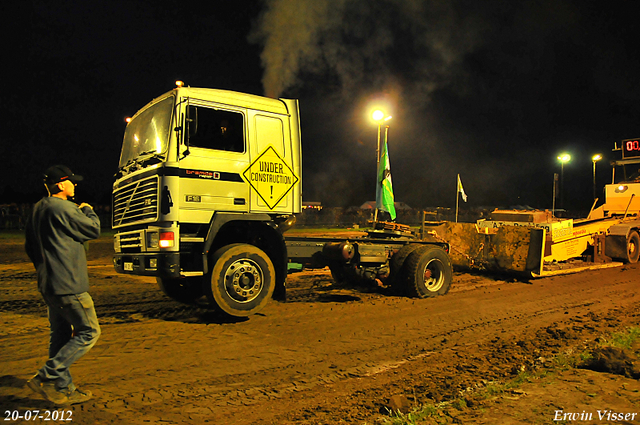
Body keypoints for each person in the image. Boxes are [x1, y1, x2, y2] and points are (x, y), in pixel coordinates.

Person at [24, 165, 101, 405]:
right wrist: (88, 210)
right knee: (89, 332)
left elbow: (30, 246)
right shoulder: (65, 208)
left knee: (59, 335)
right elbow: (94, 229)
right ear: (60, 184)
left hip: (48, 283)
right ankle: (47, 375)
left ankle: (64, 388)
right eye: (72, 182)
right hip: (69, 284)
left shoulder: (38, 208)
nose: (75, 185)